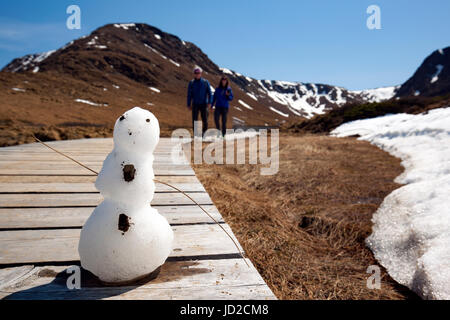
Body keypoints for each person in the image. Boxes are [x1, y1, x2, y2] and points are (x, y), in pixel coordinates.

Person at [187, 67, 212, 137]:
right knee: (195, 120)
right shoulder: (191, 83)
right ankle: (196, 134)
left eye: (198, 73)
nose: (197, 74)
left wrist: (210, 102)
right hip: (195, 104)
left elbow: (210, 93)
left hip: (204, 104)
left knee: (205, 119)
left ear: (201, 74)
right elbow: (189, 94)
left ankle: (204, 133)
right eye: (196, 73)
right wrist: (189, 104)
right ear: (194, 74)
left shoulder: (205, 82)